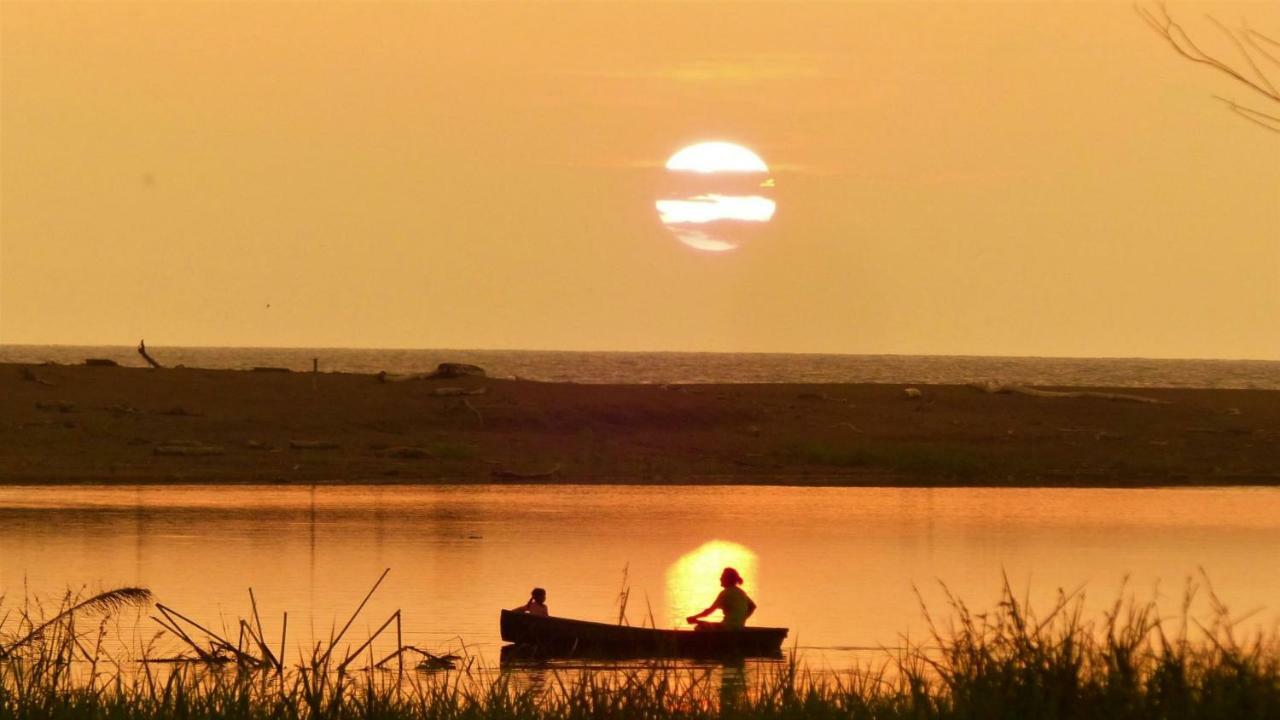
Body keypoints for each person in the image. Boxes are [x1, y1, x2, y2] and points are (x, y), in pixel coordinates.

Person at [686, 567, 756, 630]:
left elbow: (708, 612)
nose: (720, 578)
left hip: (727, 627)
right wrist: (741, 619)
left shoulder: (726, 593)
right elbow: (753, 606)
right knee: (703, 624)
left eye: (722, 576)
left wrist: (694, 617)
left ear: (727, 579)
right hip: (739, 627)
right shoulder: (741, 592)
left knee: (699, 627)